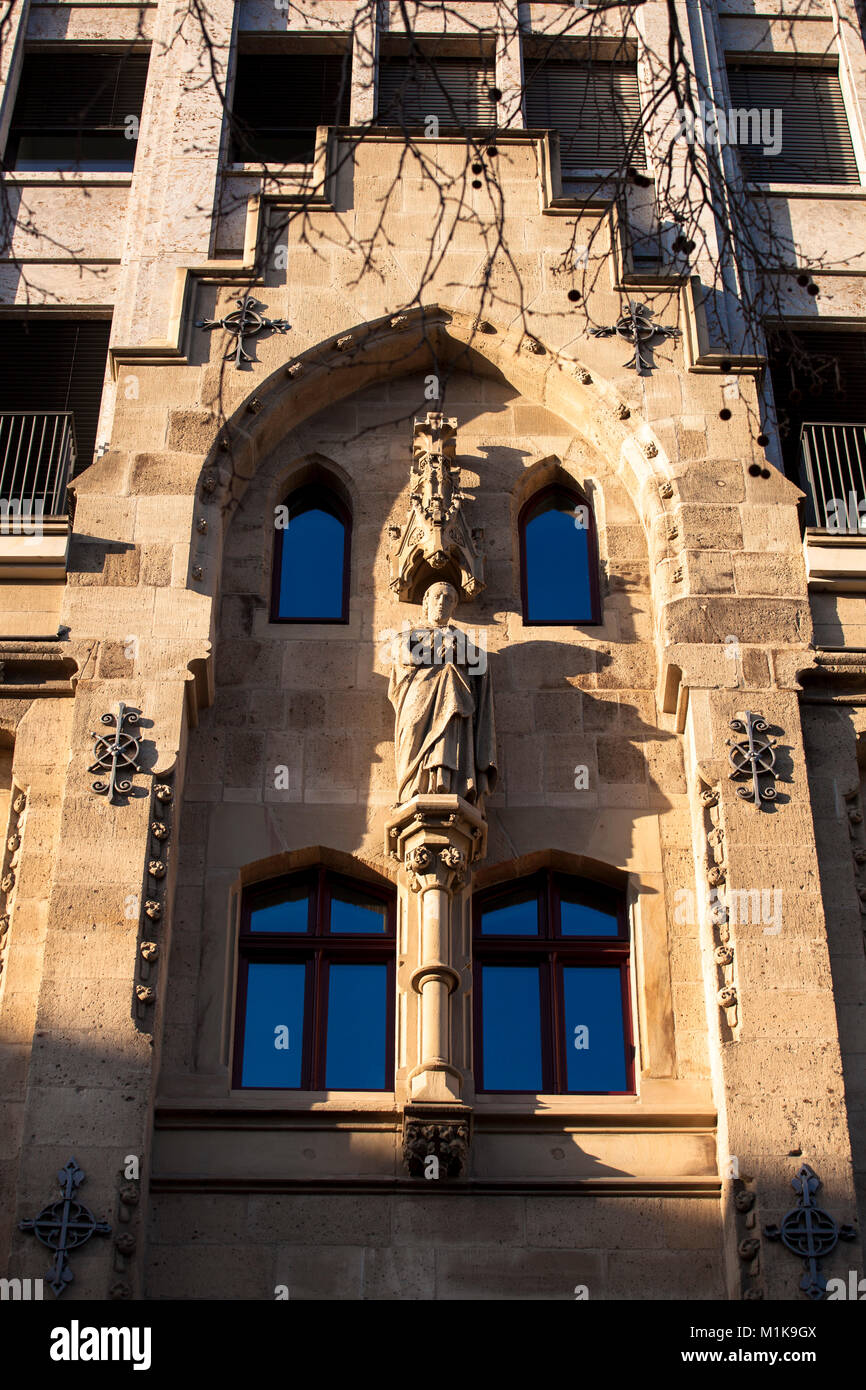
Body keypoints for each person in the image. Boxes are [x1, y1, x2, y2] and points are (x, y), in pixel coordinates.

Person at [388, 581, 497, 810]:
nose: (442, 603)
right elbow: (404, 655)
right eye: (437, 596)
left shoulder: (460, 640)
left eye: (449, 599)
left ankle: (448, 784)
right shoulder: (410, 634)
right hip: (417, 698)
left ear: (454, 607)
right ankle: (412, 788)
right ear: (425, 602)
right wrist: (435, 649)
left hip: (451, 702)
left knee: (449, 735)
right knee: (412, 737)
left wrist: (457, 652)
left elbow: (480, 664)